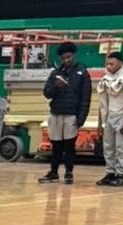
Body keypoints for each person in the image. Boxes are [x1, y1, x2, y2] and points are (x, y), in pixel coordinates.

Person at [39, 43, 91, 185]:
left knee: (69, 146)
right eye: (64, 58)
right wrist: (56, 86)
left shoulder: (82, 72)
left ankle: (69, 173)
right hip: (55, 114)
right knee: (56, 146)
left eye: (69, 57)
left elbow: (86, 97)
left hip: (71, 115)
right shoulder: (55, 73)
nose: (66, 60)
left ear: (73, 56)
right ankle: (53, 173)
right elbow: (46, 93)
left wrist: (81, 118)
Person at [96, 49, 123, 188]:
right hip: (109, 116)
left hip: (122, 116)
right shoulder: (106, 78)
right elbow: (102, 101)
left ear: (120, 63)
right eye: (107, 64)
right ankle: (110, 173)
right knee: (108, 147)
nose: (108, 67)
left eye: (111, 64)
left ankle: (120, 175)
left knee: (122, 147)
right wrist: (100, 123)